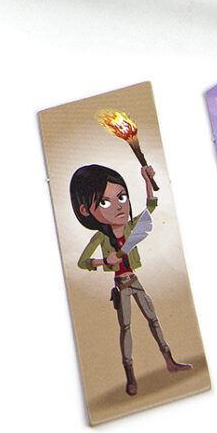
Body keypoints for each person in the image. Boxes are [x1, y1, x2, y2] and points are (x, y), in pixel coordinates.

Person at [70, 163, 192, 396]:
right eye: (104, 203)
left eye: (122, 197)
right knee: (126, 327)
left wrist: (146, 180)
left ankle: (170, 361)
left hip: (134, 280)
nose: (118, 206)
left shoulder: (132, 227)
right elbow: (83, 261)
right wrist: (105, 261)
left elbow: (151, 206)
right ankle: (131, 376)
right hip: (121, 286)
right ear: (86, 211)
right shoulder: (100, 237)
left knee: (153, 319)